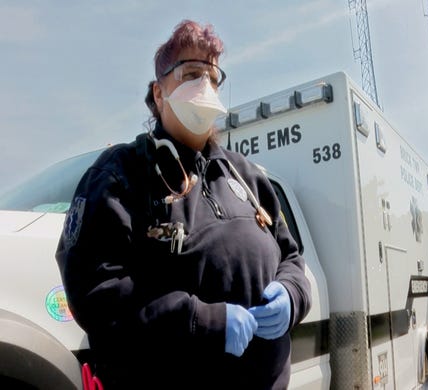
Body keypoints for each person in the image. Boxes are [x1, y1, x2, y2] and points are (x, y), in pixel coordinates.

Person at [55, 19, 311, 390]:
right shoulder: (119, 175)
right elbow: (96, 291)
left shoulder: (245, 175)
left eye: (212, 76)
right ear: (159, 94)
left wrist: (292, 293)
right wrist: (201, 321)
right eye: (191, 73)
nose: (205, 86)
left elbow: (292, 257)